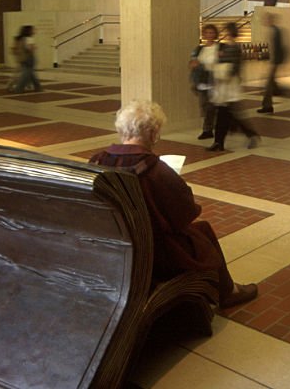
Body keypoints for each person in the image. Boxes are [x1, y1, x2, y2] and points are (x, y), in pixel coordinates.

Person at [89, 100, 258, 309]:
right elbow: (185, 214)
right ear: (152, 132)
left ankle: (227, 289)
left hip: (109, 243)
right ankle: (228, 292)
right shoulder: (155, 170)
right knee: (202, 231)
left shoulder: (97, 162)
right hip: (153, 251)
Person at [209, 22, 259, 151]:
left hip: (230, 86)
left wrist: (225, 72)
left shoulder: (235, 48)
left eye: (227, 31)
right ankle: (219, 142)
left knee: (229, 114)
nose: (225, 34)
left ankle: (249, 135)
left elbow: (235, 67)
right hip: (222, 85)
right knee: (225, 114)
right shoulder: (223, 47)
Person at [189, 24, 220, 140]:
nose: (209, 35)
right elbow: (192, 63)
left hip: (214, 80)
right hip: (202, 80)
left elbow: (218, 64)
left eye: (211, 33)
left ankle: (209, 128)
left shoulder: (219, 48)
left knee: (211, 106)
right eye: (207, 33)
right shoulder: (199, 49)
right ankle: (208, 128)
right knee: (204, 106)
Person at [257, 13, 285, 113]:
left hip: (273, 61)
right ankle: (268, 105)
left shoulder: (272, 31)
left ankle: (267, 106)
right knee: (269, 83)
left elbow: (272, 48)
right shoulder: (276, 30)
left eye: (266, 19)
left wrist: (269, 61)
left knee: (268, 85)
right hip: (275, 61)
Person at [11, 25, 42, 94]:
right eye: (33, 29)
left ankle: (38, 87)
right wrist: (34, 47)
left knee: (30, 73)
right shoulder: (29, 38)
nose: (35, 30)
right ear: (29, 31)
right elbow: (30, 48)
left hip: (22, 58)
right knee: (26, 74)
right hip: (29, 58)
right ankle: (18, 88)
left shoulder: (20, 38)